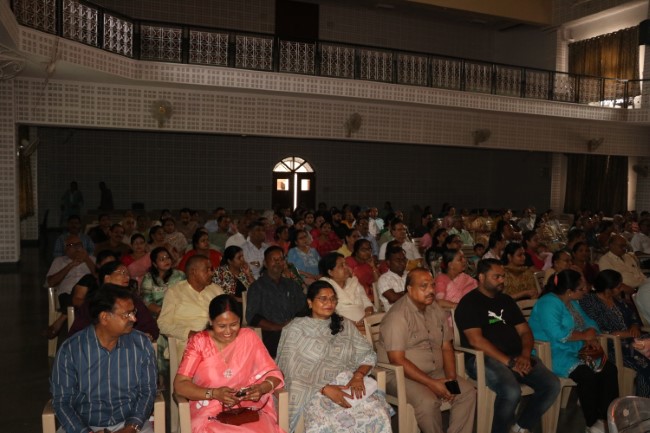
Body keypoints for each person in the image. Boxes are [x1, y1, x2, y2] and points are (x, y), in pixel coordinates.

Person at [455, 259, 561, 433]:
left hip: (517, 356)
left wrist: (525, 355)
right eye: (496, 277)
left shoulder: (506, 300)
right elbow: (476, 341)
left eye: (503, 276)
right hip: (484, 359)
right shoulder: (469, 303)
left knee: (552, 384)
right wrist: (509, 362)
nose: (502, 280)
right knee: (511, 391)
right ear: (481, 277)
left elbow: (525, 331)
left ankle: (520, 427)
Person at [276, 281, 393, 433]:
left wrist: (358, 376)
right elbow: (290, 371)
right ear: (310, 302)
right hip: (312, 390)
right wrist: (324, 389)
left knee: (378, 414)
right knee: (326, 424)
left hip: (347, 384)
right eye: (323, 298)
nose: (329, 303)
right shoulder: (295, 329)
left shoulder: (344, 325)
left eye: (333, 299)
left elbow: (367, 353)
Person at [376, 269, 476, 433]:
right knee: (428, 402)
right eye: (424, 286)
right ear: (409, 289)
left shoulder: (435, 309)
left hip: (435, 371)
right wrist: (432, 384)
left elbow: (446, 346)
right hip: (400, 375)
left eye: (432, 285)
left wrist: (451, 380)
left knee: (467, 393)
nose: (430, 290)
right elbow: (397, 360)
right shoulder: (397, 316)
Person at [51, 284, 157, 433]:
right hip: (82, 425)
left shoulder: (141, 343)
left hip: (129, 424)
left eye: (133, 312)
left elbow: (147, 391)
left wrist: (131, 427)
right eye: (126, 314)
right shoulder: (71, 349)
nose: (134, 318)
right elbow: (62, 400)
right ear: (105, 317)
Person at [173, 295, 285, 433]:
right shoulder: (199, 342)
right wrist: (214, 393)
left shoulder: (248, 337)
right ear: (211, 321)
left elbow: (273, 373)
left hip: (247, 410)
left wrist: (261, 388)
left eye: (234, 325)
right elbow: (180, 384)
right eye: (221, 326)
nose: (228, 331)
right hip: (209, 412)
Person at [528, 269, 619, 433]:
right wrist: (584, 335)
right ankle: (592, 423)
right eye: (581, 289)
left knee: (609, 370)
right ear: (569, 291)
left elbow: (589, 321)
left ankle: (607, 420)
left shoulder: (572, 302)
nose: (585, 291)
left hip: (576, 348)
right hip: (553, 352)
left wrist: (590, 333)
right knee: (586, 375)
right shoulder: (548, 303)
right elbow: (557, 334)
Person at [579, 269, 650, 397]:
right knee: (645, 365)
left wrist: (634, 326)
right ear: (607, 289)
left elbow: (633, 316)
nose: (621, 288)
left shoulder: (617, 300)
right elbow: (596, 328)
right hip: (612, 346)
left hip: (631, 339)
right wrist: (623, 334)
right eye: (618, 286)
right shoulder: (590, 301)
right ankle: (643, 402)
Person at [246, 246, 308, 357]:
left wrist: (294, 325)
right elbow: (252, 317)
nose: (278, 262)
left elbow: (303, 307)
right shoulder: (257, 287)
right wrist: (279, 327)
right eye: (274, 259)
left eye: (281, 259)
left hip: (295, 331)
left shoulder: (291, 284)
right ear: (265, 263)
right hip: (272, 335)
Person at [158, 255, 225, 356]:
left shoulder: (216, 290)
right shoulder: (175, 292)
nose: (212, 273)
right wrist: (189, 333)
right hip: (188, 346)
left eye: (211, 269)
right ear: (193, 272)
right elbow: (163, 324)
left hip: (216, 340)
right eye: (207, 270)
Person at [319, 252, 374, 331]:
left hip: (366, 325)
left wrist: (366, 318)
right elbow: (329, 314)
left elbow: (368, 304)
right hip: (340, 329)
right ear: (330, 272)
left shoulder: (353, 282)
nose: (346, 268)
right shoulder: (323, 287)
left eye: (346, 264)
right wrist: (352, 325)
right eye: (341, 265)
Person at [141, 247, 186, 318]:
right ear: (155, 264)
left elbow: (187, 294)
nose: (166, 261)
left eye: (168, 258)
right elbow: (146, 301)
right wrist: (162, 311)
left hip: (179, 311)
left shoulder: (180, 275)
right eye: (162, 259)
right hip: (157, 314)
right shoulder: (149, 278)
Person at [377, 245, 408, 312]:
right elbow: (393, 298)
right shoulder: (384, 279)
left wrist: (403, 293)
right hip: (395, 314)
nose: (402, 262)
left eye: (403, 259)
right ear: (388, 262)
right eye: (398, 260)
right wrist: (413, 293)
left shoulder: (410, 274)